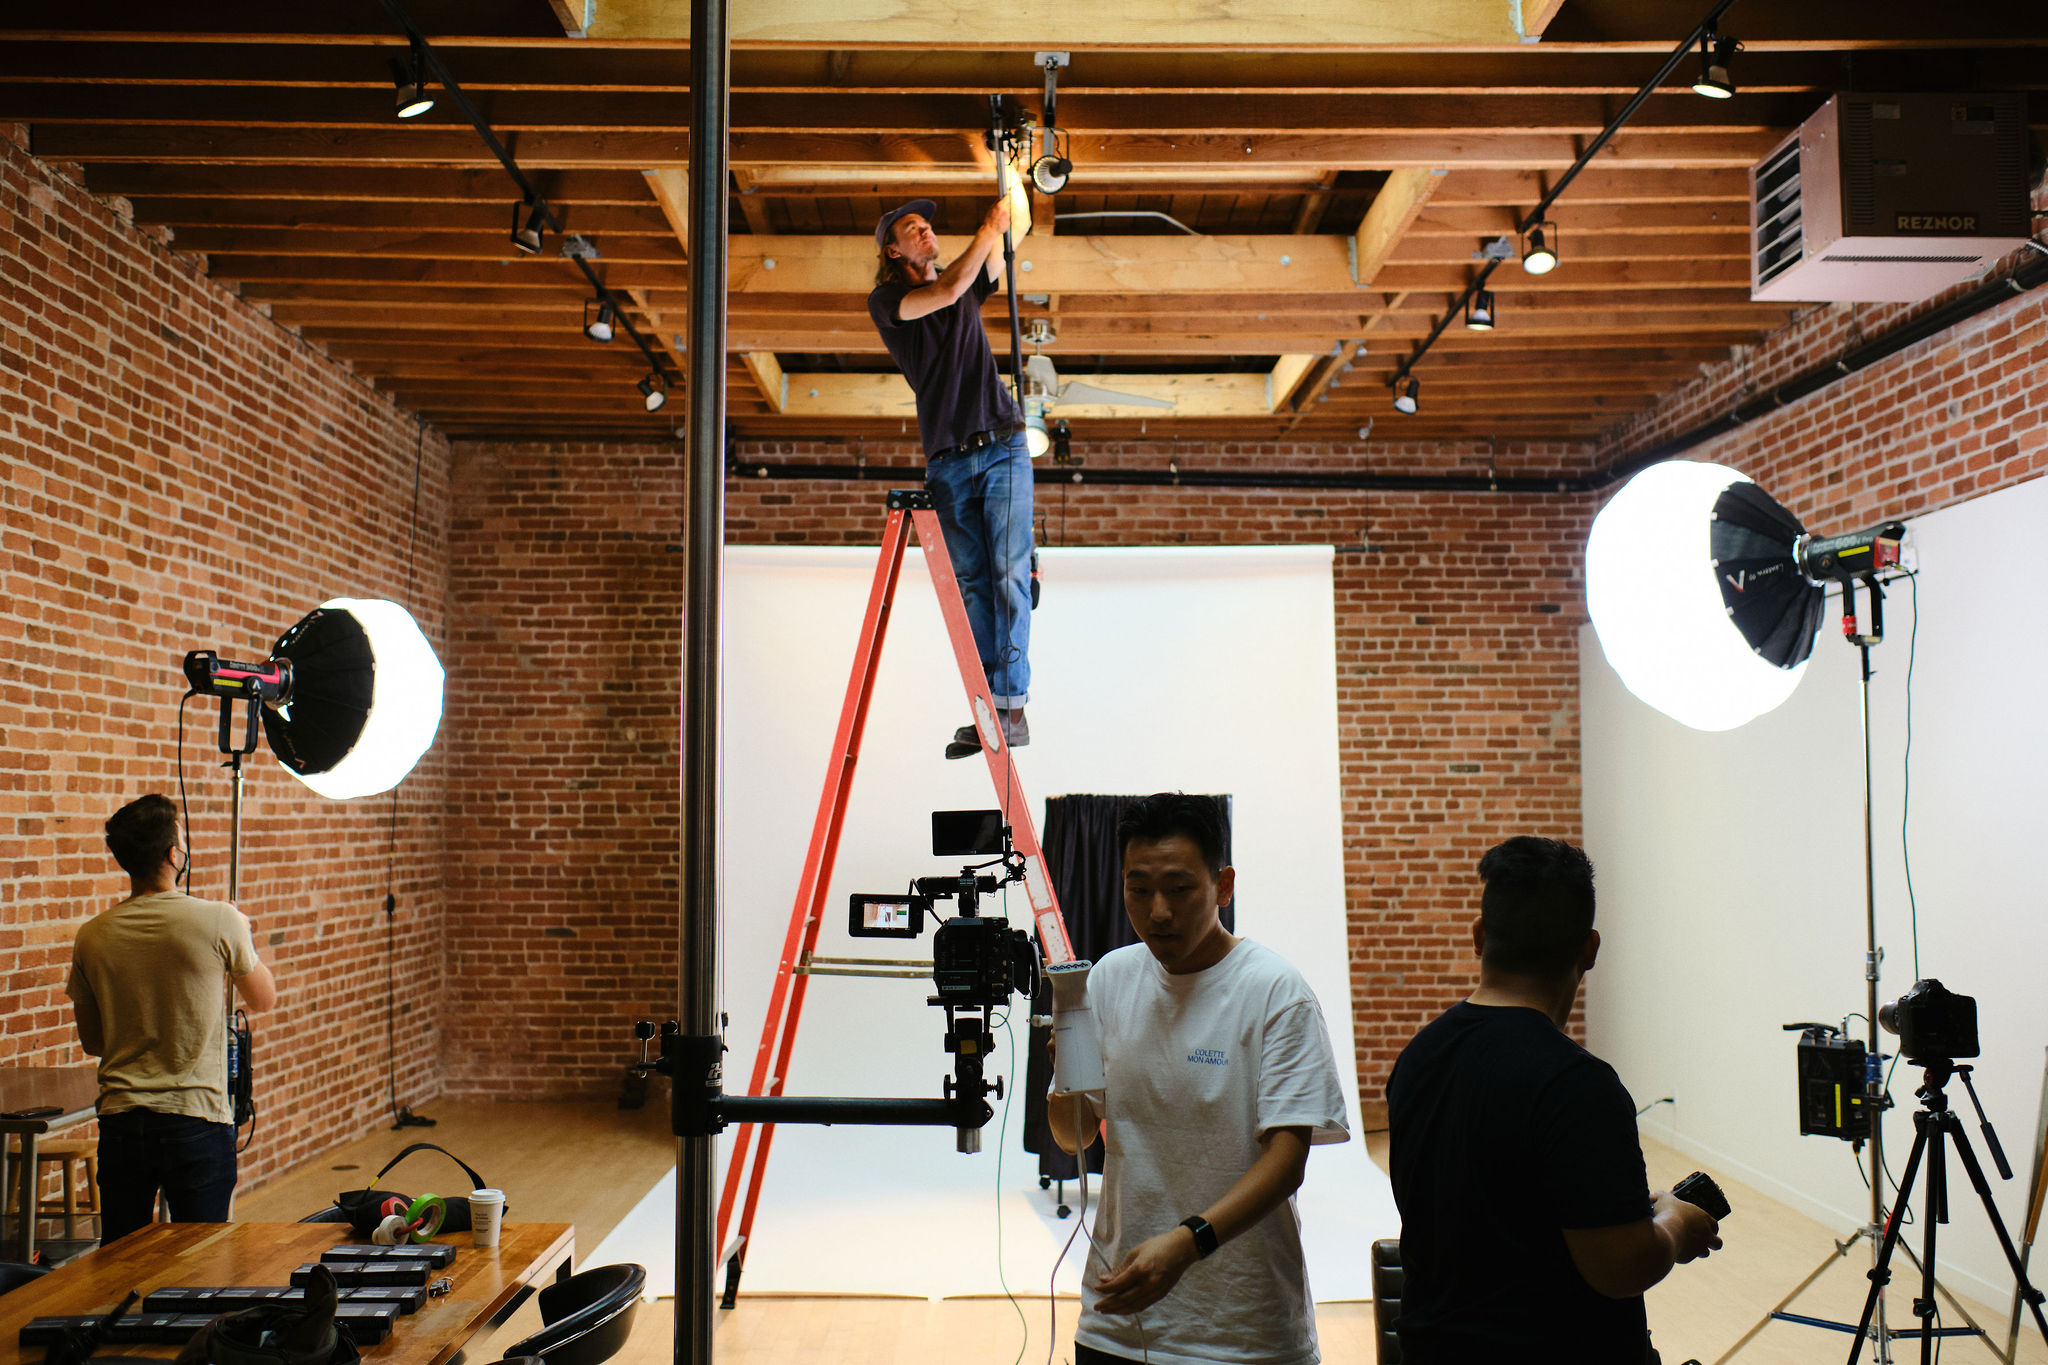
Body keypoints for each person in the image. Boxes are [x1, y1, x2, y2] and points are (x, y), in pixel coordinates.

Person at [1385, 837, 1722, 1365]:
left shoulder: (1419, 1056)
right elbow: (1620, 1269)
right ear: (1590, 950)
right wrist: (1676, 1224)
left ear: (1479, 938)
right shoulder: (1577, 1085)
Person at [1048, 793, 1350, 1365]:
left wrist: (1190, 1244)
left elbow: (1286, 1161)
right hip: (1116, 1321)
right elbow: (1073, 1137)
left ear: (1224, 886)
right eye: (1139, 890)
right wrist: (1067, 1066)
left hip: (1243, 1333)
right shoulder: (1109, 979)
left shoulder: (1275, 993)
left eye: (1180, 889)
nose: (1159, 910)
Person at [67, 793, 277, 1243]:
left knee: (122, 1259)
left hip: (123, 1121)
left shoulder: (92, 936)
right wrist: (243, 932)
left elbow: (93, 1041)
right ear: (173, 855)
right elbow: (263, 998)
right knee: (198, 1262)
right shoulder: (219, 920)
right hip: (196, 1119)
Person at [868, 197, 1035, 759]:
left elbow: (1000, 249)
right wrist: (988, 226)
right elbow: (945, 290)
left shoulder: (965, 286)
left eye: (927, 224)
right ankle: (995, 703)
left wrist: (1012, 194)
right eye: (912, 228)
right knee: (973, 586)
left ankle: (1008, 704)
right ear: (894, 250)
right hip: (948, 460)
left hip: (1003, 444)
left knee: (1007, 572)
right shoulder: (889, 300)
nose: (925, 229)